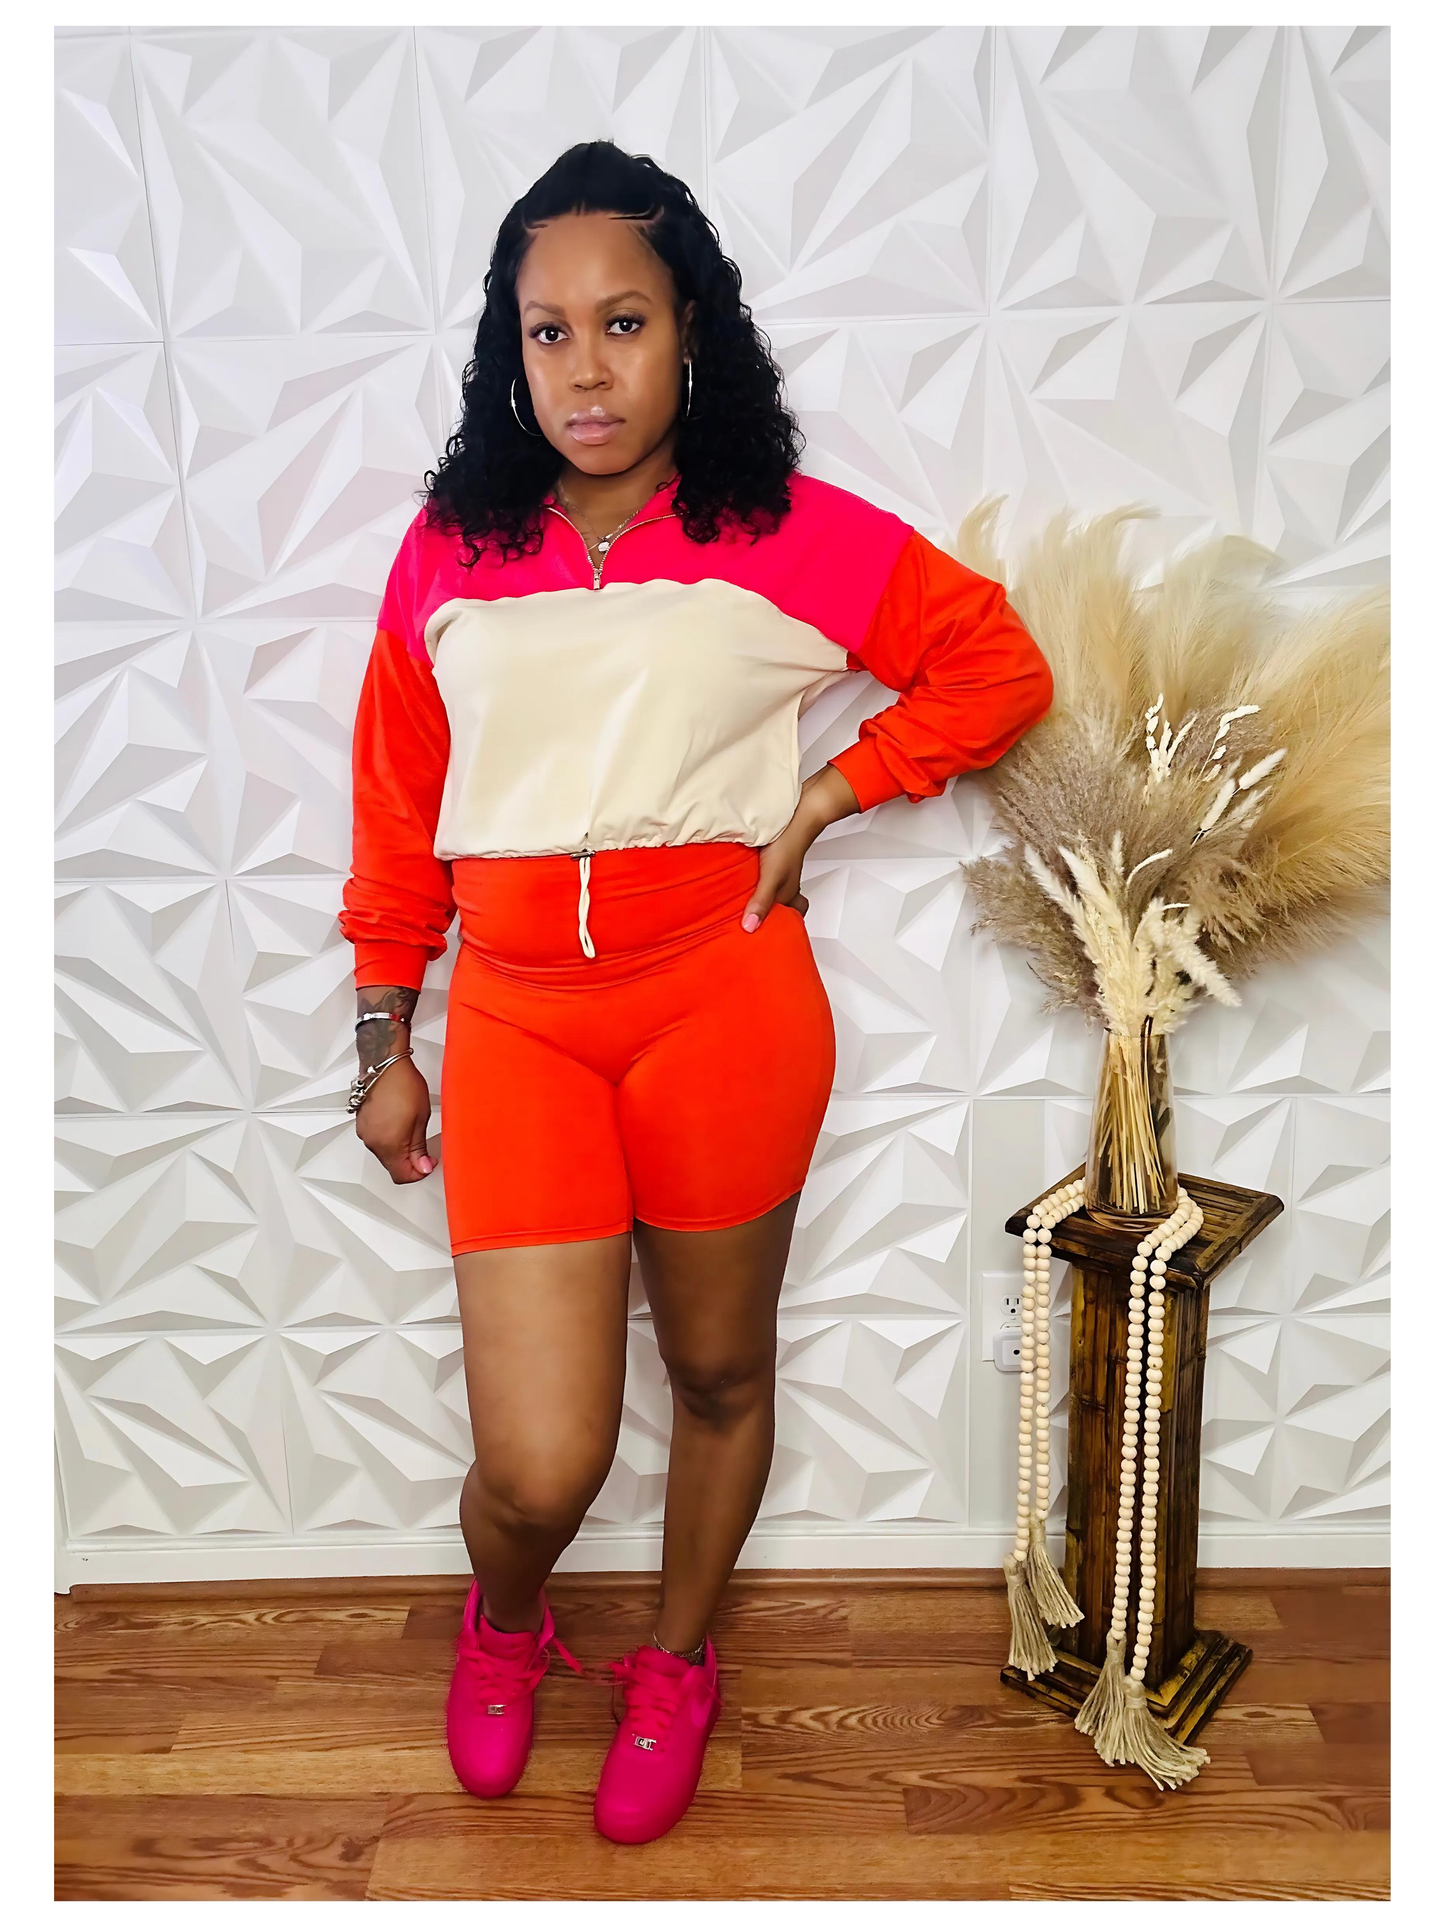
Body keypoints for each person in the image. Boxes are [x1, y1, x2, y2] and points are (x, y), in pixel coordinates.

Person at [340, 139, 1053, 1846]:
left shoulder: (779, 529)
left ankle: (676, 1658)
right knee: (541, 1461)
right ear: (510, 352)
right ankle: (509, 1614)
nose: (586, 368)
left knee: (723, 1371)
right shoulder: (450, 550)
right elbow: (396, 810)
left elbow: (996, 664)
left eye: (625, 322)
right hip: (517, 1018)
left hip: (721, 1003)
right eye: (548, 331)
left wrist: (826, 798)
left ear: (690, 332)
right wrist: (382, 1033)